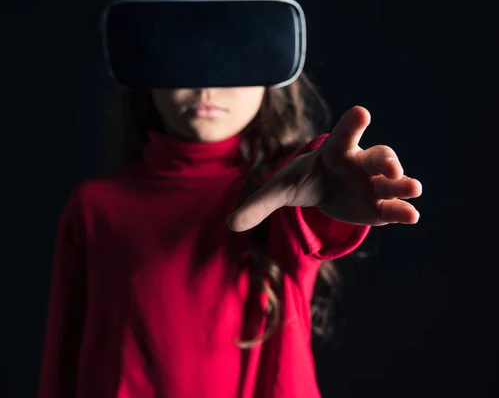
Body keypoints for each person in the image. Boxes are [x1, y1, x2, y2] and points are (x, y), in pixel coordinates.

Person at [37, 72, 423, 397]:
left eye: (231, 58)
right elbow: (63, 355)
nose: (206, 86)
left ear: (272, 75)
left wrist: (329, 190)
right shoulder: (94, 206)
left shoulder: (283, 192)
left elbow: (308, 221)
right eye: (182, 59)